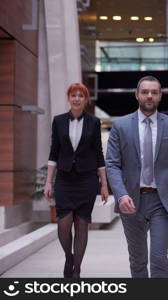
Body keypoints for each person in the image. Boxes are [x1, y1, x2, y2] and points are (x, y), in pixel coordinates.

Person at [106, 75, 168, 278]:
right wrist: (120, 194)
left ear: (160, 96)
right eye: (145, 92)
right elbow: (112, 164)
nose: (149, 96)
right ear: (136, 95)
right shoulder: (121, 126)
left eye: (154, 92)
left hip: (161, 201)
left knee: (158, 258)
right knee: (137, 260)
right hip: (131, 201)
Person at [44, 82, 109, 278]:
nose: (77, 98)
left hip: (87, 180)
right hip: (64, 179)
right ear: (68, 98)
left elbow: (99, 155)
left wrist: (104, 184)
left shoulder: (94, 122)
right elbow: (54, 152)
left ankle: (77, 269)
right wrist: (48, 181)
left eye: (81, 95)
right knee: (63, 224)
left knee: (82, 224)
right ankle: (69, 257)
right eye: (73, 95)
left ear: (86, 99)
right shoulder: (58, 121)